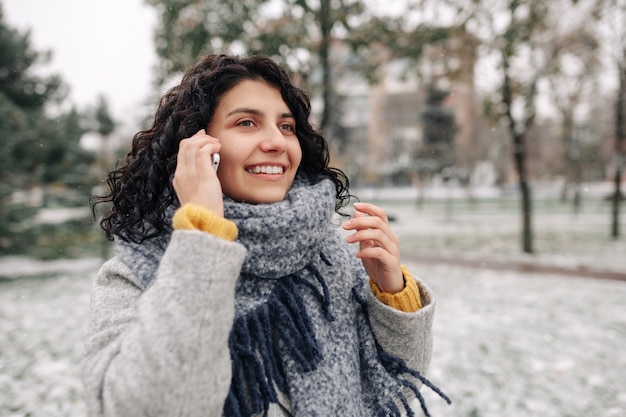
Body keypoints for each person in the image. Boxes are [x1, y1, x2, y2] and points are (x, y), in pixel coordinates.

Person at [83, 53, 449, 417]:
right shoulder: (134, 274)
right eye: (247, 123)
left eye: (286, 127)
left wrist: (393, 295)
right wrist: (203, 238)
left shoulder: (331, 255)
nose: (276, 141)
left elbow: (394, 384)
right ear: (194, 146)